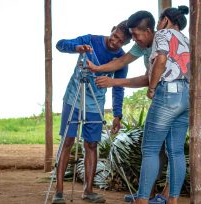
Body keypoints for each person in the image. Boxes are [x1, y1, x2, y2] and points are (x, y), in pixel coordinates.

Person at [87, 10, 170, 202]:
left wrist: (114, 82)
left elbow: (148, 79)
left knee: (170, 149)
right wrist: (97, 68)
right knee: (152, 148)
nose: (133, 39)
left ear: (149, 31)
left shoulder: (162, 45)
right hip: (158, 100)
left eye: (135, 35)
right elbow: (122, 61)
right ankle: (147, 193)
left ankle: (166, 196)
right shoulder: (142, 46)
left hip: (170, 99)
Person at [52, 20, 132, 204]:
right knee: (67, 141)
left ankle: (88, 191)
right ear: (112, 30)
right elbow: (60, 45)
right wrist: (77, 47)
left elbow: (118, 88)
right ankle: (59, 191)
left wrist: (117, 114)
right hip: (74, 98)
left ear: (126, 43)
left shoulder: (121, 59)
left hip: (95, 104)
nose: (115, 41)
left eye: (120, 41)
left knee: (92, 145)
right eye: (115, 36)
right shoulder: (91, 40)